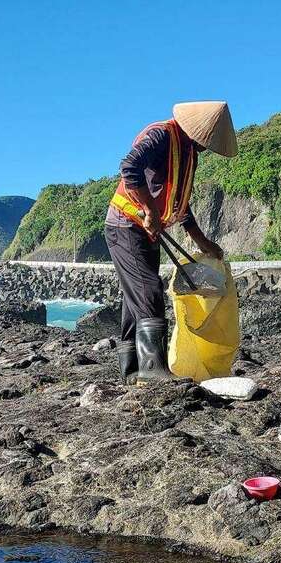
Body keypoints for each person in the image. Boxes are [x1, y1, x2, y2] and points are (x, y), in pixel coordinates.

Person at [105, 101, 238, 384]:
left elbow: (181, 202)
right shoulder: (162, 136)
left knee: (135, 299)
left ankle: (131, 371)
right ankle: (153, 370)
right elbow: (129, 167)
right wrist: (151, 210)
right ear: (196, 130)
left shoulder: (188, 152)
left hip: (144, 229)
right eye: (206, 141)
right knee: (149, 290)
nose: (206, 147)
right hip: (125, 225)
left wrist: (202, 242)